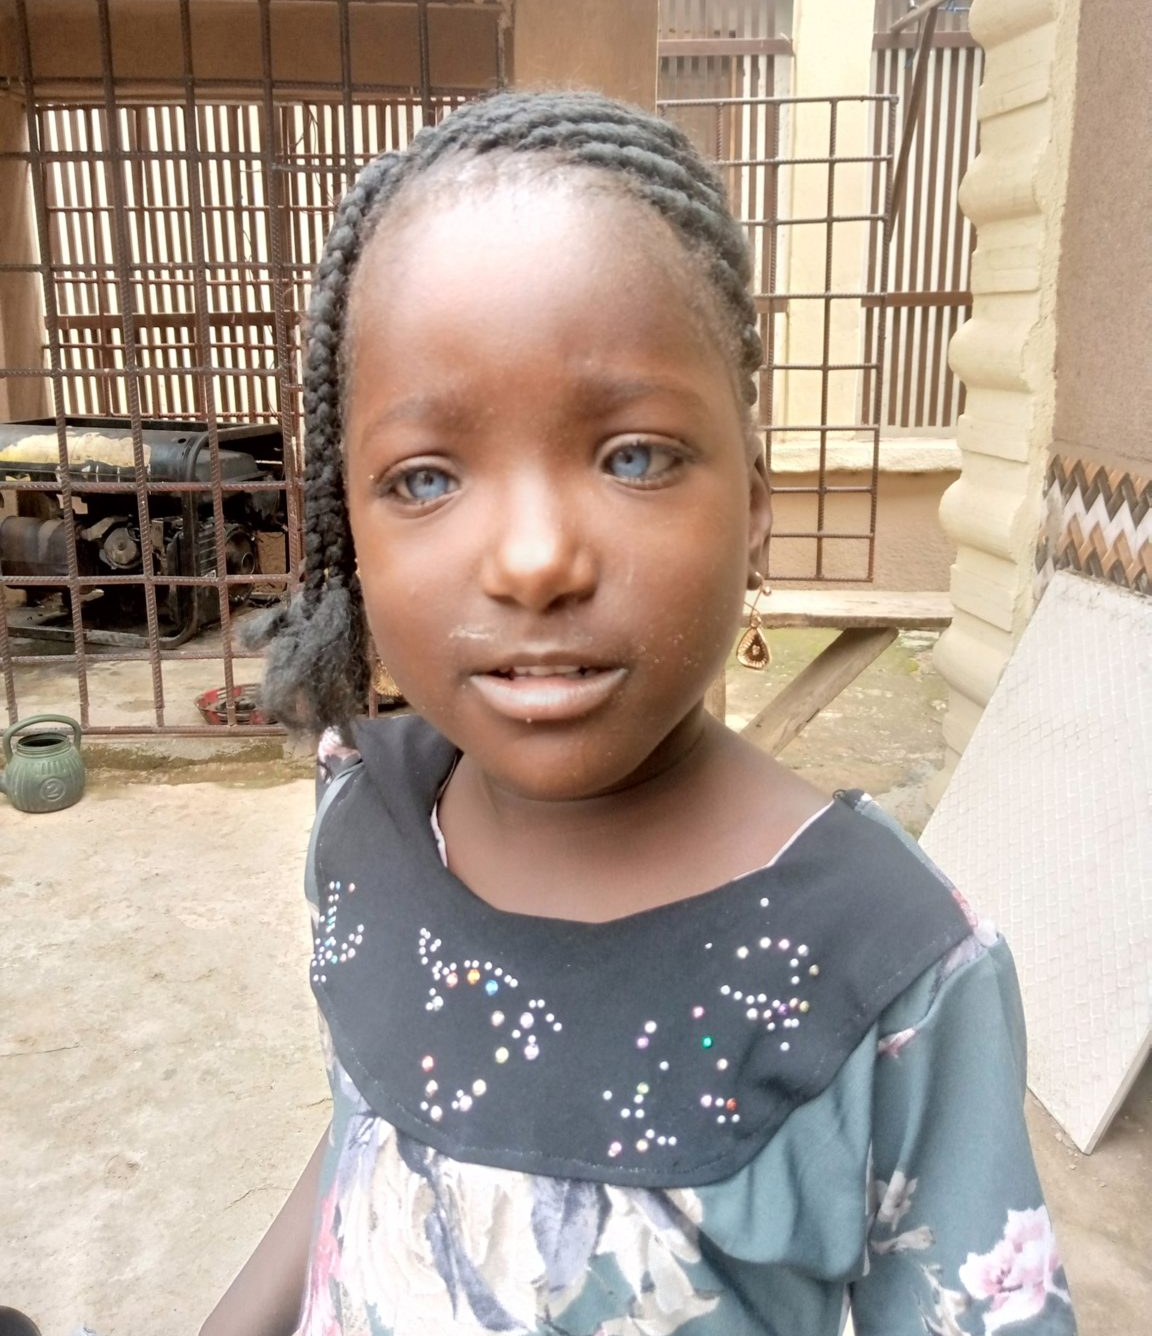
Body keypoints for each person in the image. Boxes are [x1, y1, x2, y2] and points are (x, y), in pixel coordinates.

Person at [201, 91, 1077, 1336]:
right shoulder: (366, 813)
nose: (534, 560)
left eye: (634, 457)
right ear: (349, 523)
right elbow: (375, 1120)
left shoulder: (894, 968)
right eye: (427, 478)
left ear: (756, 498)